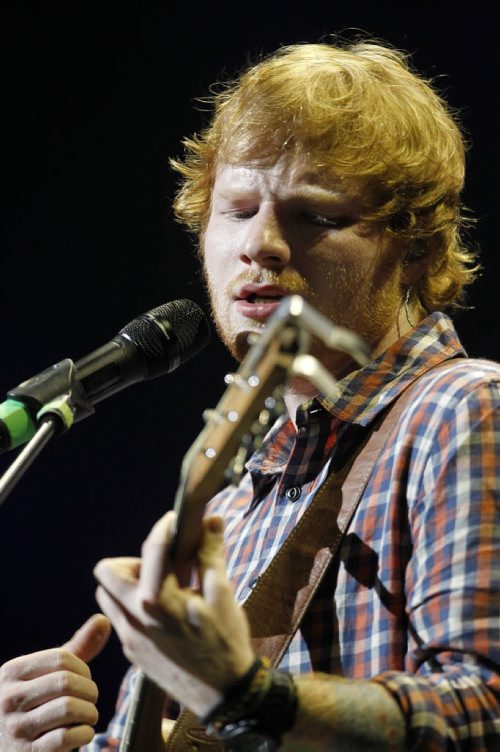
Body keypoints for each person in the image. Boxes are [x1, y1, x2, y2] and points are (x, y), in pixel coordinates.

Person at [1, 39, 499, 751]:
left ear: (416, 246)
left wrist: (247, 693)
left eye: (313, 215)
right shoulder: (234, 499)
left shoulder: (465, 412)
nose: (259, 244)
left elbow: (486, 710)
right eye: (235, 209)